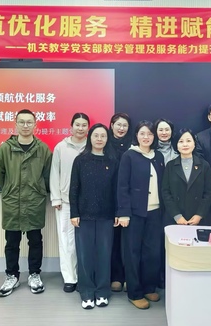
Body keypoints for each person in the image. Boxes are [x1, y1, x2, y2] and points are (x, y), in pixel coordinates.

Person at [0, 109, 52, 297]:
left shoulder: (43, 149)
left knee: (35, 240)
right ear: (15, 124)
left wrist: (39, 190)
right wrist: (10, 189)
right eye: (22, 122)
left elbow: (47, 175)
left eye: (29, 122)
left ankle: (35, 274)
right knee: (12, 242)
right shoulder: (5, 149)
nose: (25, 126)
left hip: (34, 201)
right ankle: (12, 276)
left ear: (35, 125)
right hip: (13, 201)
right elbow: (0, 174)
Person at [69, 123, 119, 309]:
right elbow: (74, 188)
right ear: (90, 138)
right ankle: (87, 291)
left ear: (107, 139)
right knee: (85, 255)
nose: (99, 139)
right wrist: (74, 212)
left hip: (106, 215)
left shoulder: (113, 161)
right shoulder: (80, 160)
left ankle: (102, 291)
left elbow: (117, 190)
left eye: (103, 136)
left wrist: (117, 212)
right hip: (84, 216)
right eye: (96, 135)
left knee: (104, 254)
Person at [117, 121, 165, 310]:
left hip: (155, 212)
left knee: (152, 252)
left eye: (150, 134)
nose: (146, 137)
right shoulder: (129, 156)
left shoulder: (158, 156)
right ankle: (134, 293)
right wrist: (123, 212)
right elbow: (122, 186)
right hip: (134, 213)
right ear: (136, 135)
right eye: (142, 133)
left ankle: (148, 287)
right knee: (132, 253)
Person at [50, 112, 89, 293]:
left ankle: (84, 276)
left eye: (84, 125)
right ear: (71, 127)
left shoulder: (92, 146)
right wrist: (56, 197)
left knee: (86, 242)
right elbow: (54, 173)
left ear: (88, 128)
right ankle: (70, 278)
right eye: (77, 125)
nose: (80, 128)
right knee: (66, 241)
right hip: (65, 202)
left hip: (88, 203)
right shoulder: (61, 147)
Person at [162, 129, 211, 226]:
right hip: (175, 219)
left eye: (188, 141)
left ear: (194, 144)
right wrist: (177, 216)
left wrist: (199, 215)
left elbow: (208, 192)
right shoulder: (170, 166)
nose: (185, 144)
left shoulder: (204, 165)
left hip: (198, 219)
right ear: (176, 145)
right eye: (181, 141)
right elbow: (166, 192)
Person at [107, 112, 132, 293]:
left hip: (129, 198)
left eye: (125, 125)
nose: (121, 128)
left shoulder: (133, 146)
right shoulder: (105, 144)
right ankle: (116, 276)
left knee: (129, 241)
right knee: (113, 240)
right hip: (109, 198)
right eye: (118, 125)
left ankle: (129, 276)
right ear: (112, 125)